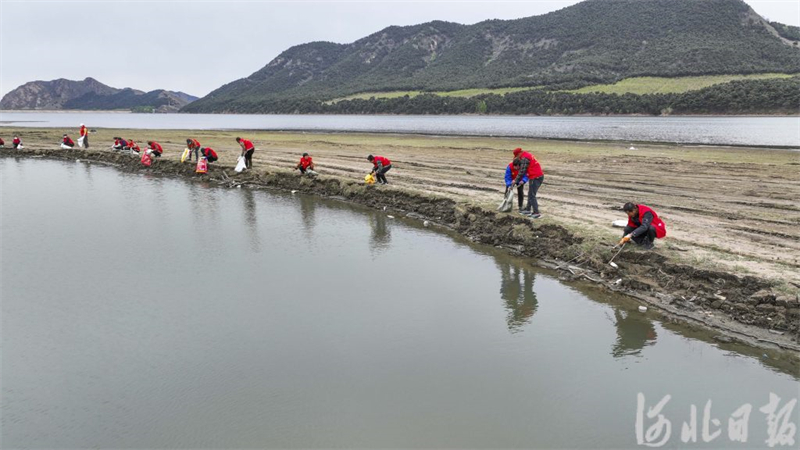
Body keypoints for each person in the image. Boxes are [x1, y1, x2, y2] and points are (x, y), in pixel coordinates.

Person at [512, 147, 544, 218]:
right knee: (530, 193)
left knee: (532, 195)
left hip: (536, 177)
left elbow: (522, 171)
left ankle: (536, 212)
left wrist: (516, 180)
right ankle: (528, 209)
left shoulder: (524, 158)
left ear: (519, 153)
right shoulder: (527, 155)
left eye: (517, 156)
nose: (518, 158)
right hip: (535, 176)